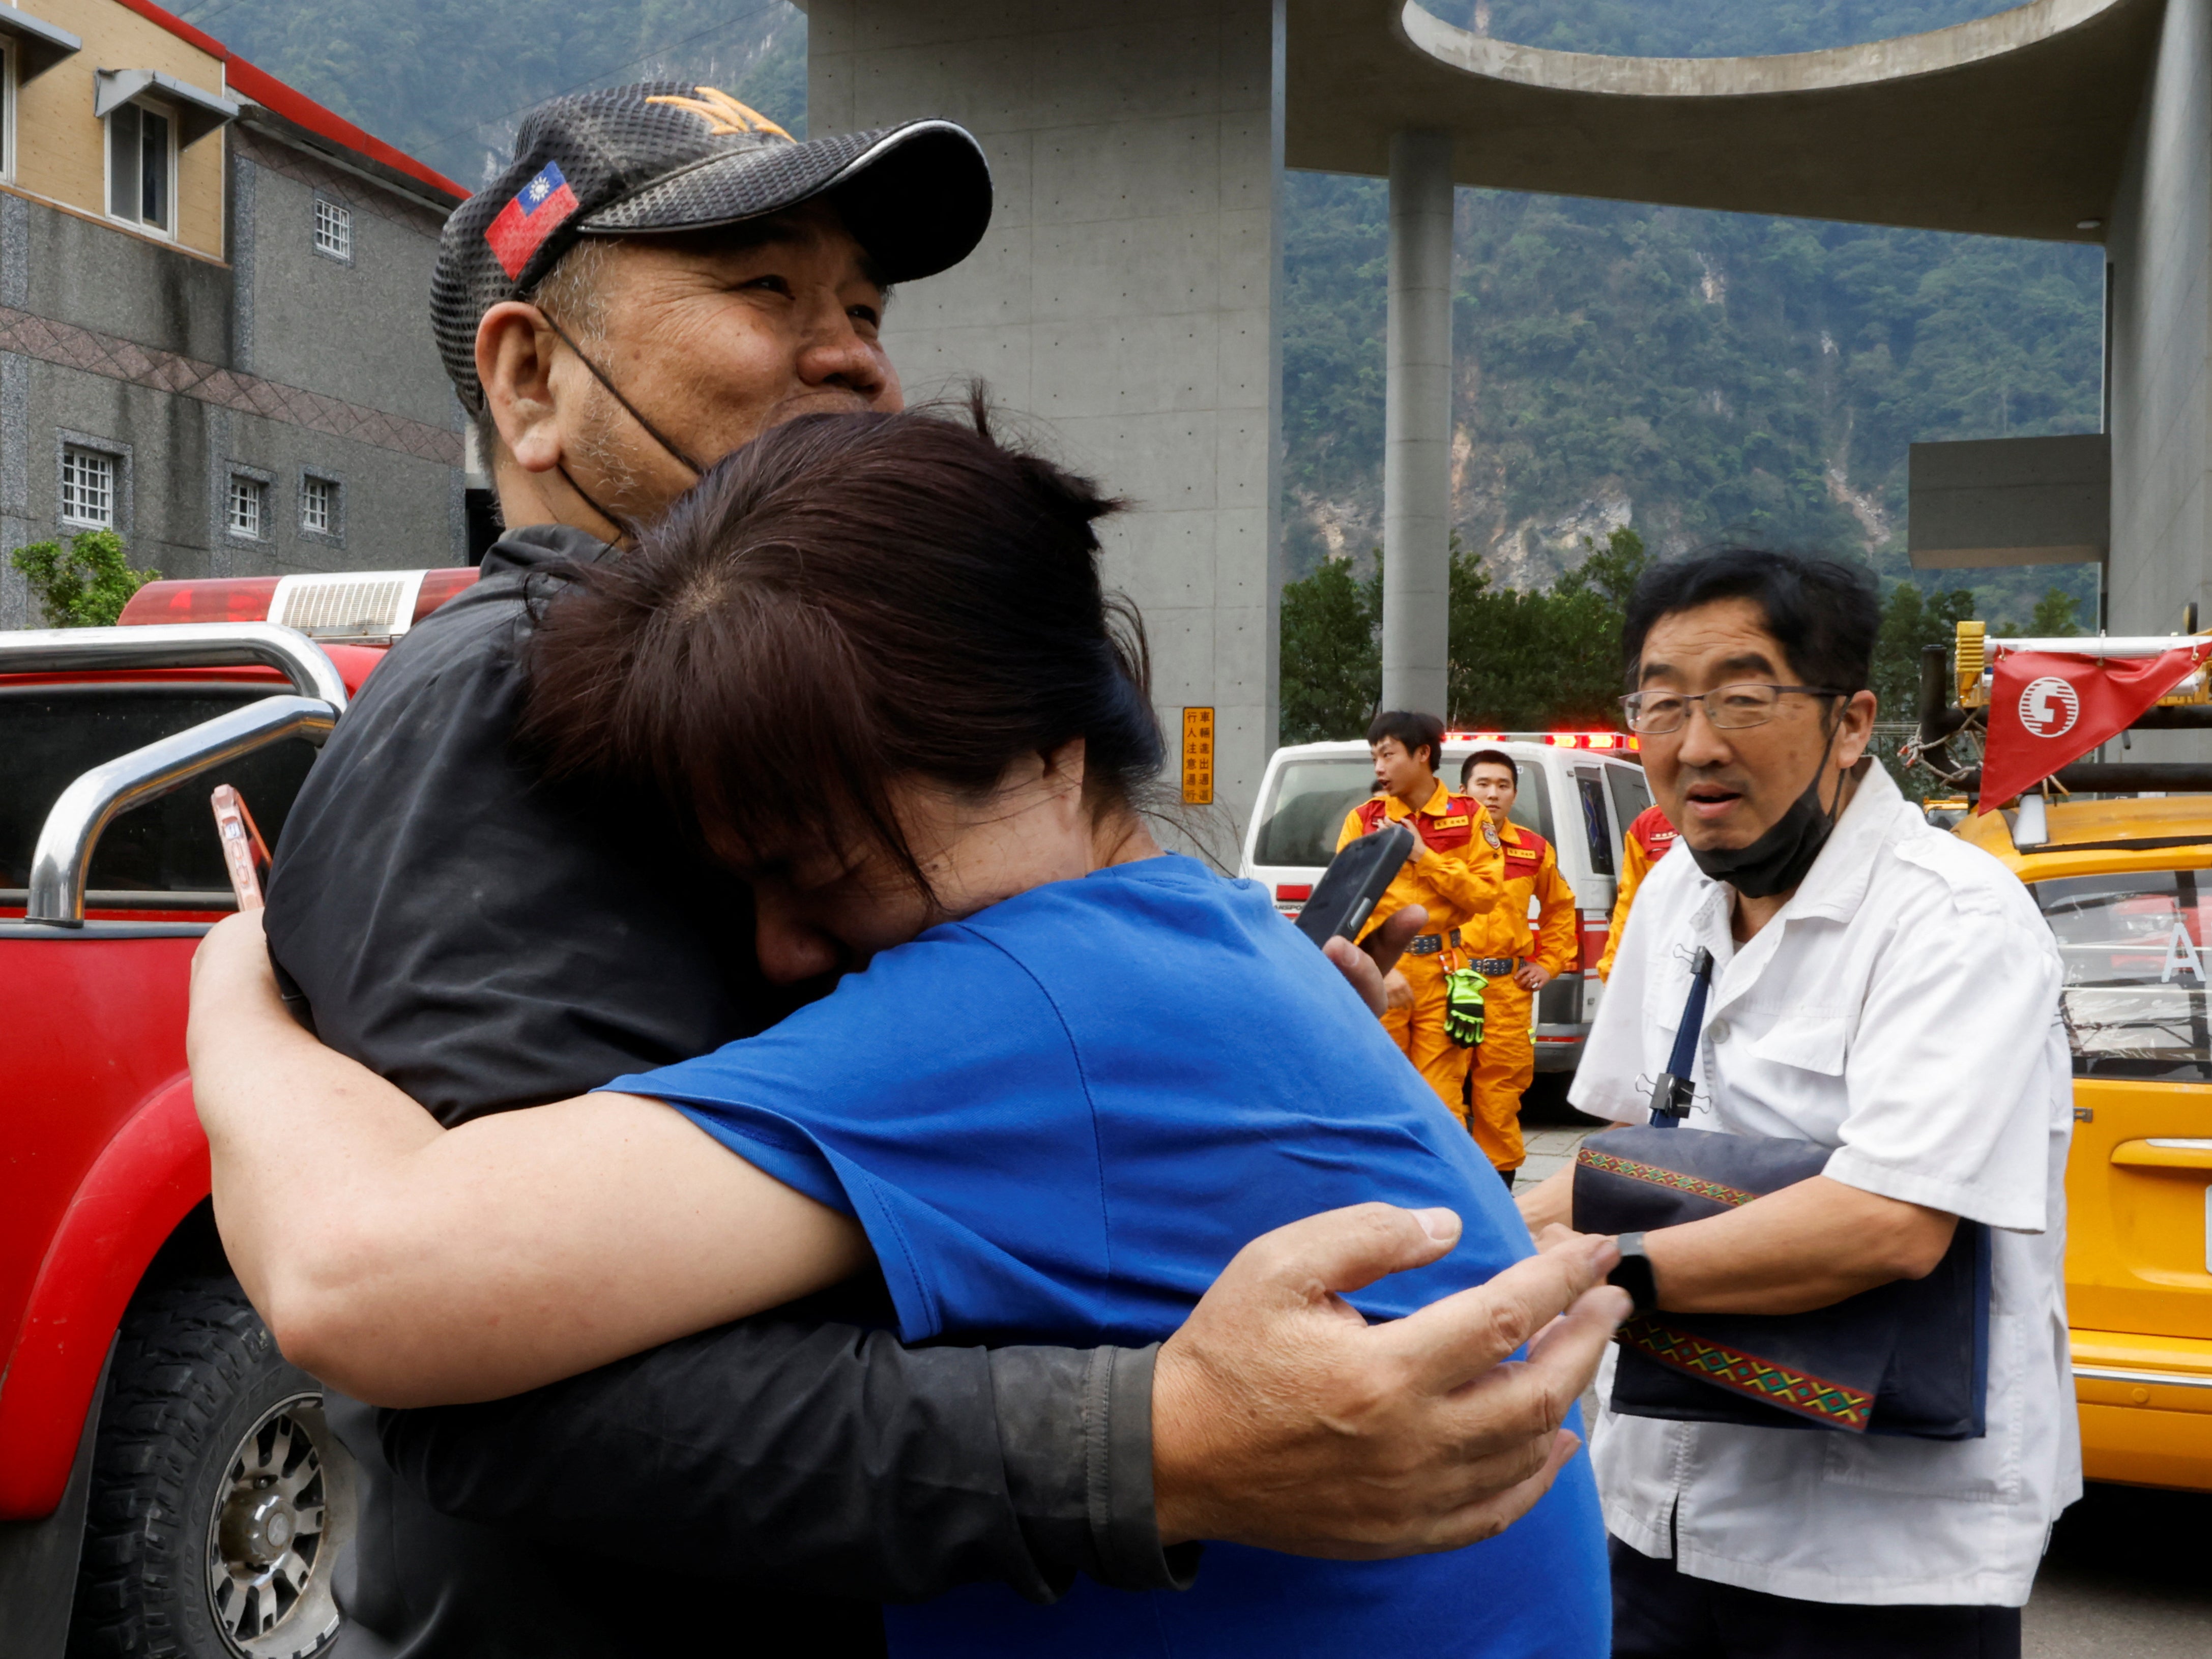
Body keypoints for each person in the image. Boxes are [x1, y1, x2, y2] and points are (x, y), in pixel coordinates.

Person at [257, 83, 1625, 1657]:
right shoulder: (518, 693)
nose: (853, 353)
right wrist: (1151, 1437)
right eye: (764, 289)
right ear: (532, 374)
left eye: (864, 304)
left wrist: (240, 1022)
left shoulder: (1038, 980)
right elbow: (486, 1373)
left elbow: (387, 1280)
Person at [1519, 548, 2077, 1659]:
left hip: (1874, 1554)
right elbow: (1628, 1156)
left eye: (1740, 697)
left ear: (1851, 721)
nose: (1694, 744)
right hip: (1654, 1509)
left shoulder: (1953, 920)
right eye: (1663, 703)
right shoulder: (1678, 891)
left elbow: (1889, 1222)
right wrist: (1468, 1233)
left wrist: (1586, 1277)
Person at [1337, 712, 1503, 1107]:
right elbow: (1342, 903)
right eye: (1374, 757)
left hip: (1445, 973)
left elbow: (1485, 895)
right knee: (1376, 1091)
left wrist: (1424, 857)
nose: (1379, 767)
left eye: (1388, 755)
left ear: (1423, 754)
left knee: (1441, 1100)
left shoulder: (1469, 817)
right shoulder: (1364, 819)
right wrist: (1378, 966)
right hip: (1380, 971)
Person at [1455, 749, 1577, 1184]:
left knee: (1500, 1094)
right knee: (1440, 1086)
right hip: (1447, 983)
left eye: (1502, 785)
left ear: (1514, 794)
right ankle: (1445, 1181)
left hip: (1506, 990)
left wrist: (1549, 963)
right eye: (1482, 784)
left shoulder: (1531, 849)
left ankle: (1499, 1193)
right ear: (1463, 789)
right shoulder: (1442, 842)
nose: (1492, 793)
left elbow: (1561, 909)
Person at [1595, 802, 1675, 981]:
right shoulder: (1647, 826)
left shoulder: (1744, 813)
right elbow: (1630, 904)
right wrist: (1612, 968)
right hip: (1669, 966)